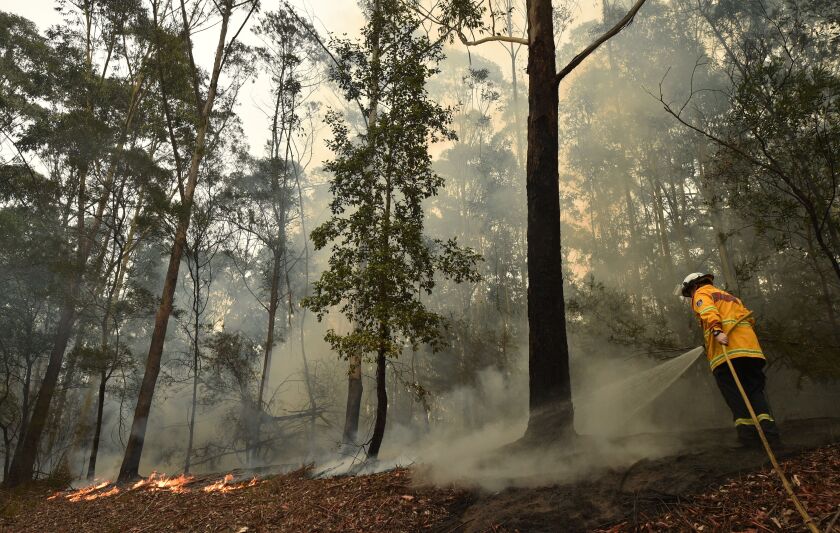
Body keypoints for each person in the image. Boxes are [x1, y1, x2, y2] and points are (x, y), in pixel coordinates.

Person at [679, 272, 780, 446]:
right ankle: (770, 436)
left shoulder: (702, 294)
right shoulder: (730, 297)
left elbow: (708, 311)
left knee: (734, 395)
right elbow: (750, 319)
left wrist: (717, 331)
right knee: (755, 391)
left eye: (689, 292)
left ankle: (748, 439)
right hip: (751, 351)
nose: (691, 296)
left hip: (727, 353)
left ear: (694, 286)